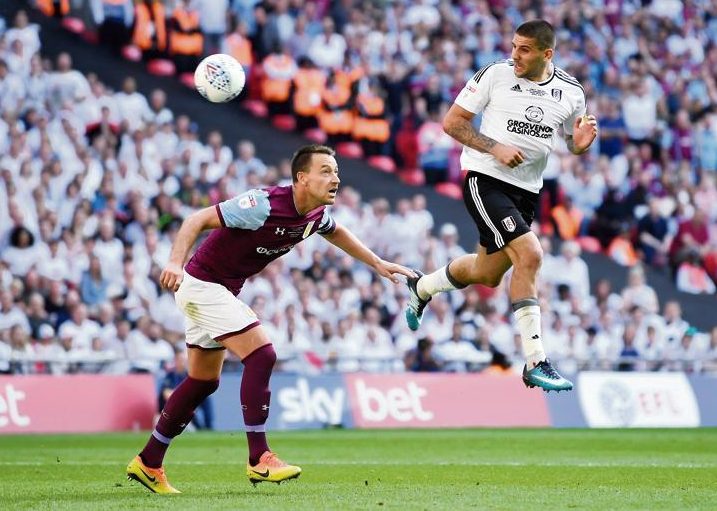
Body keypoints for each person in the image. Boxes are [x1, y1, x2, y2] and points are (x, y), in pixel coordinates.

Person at [126, 144, 414, 493]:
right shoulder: (262, 205)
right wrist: (173, 262)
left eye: (336, 171)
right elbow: (196, 220)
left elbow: (335, 231)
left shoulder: (315, 214)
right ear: (301, 178)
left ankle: (149, 461)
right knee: (262, 354)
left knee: (203, 381)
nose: (335, 177)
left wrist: (376, 263)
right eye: (326, 170)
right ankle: (259, 458)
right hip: (202, 284)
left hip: (220, 291)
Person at [404, 20, 598, 392]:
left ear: (547, 54)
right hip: (485, 179)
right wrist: (494, 147)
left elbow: (571, 141)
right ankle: (536, 361)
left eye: (524, 49)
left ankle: (422, 287)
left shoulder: (571, 91)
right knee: (531, 255)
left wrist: (579, 144)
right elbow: (452, 123)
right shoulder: (494, 74)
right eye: (513, 46)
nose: (514, 55)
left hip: (527, 191)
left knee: (487, 273)